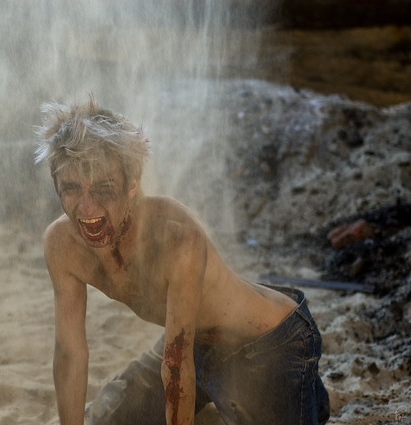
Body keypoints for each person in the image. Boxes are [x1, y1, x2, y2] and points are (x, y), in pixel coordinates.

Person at [35, 97, 329, 425]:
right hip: (196, 343)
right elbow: (70, 353)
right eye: (72, 188)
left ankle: (307, 393)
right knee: (106, 419)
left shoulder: (175, 236)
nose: (86, 208)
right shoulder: (62, 244)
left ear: (132, 184)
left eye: (103, 189)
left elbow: (176, 366)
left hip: (272, 343)